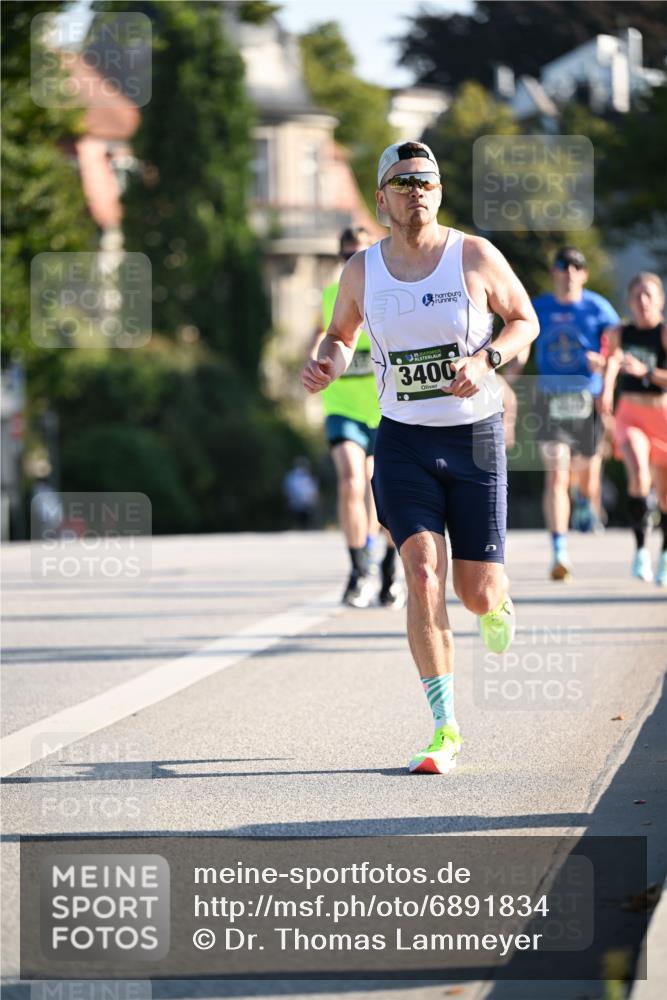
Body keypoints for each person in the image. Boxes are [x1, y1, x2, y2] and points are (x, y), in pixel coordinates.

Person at [301, 140, 539, 774]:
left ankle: (499, 600)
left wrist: (485, 359)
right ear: (381, 198)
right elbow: (341, 333)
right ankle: (445, 728)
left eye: (427, 181)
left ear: (439, 191)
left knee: (477, 592)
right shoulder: (361, 270)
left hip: (474, 435)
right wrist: (329, 361)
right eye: (403, 182)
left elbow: (524, 321)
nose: (417, 191)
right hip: (402, 439)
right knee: (422, 574)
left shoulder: (475, 255)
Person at [309, 226, 403, 609]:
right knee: (351, 479)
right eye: (346, 255)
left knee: (384, 489)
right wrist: (314, 361)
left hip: (385, 409)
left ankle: (390, 566)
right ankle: (358, 568)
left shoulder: (392, 297)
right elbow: (322, 335)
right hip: (343, 407)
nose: (354, 261)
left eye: (360, 253)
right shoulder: (333, 295)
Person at [530, 247, 620, 580]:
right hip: (550, 398)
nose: (569, 271)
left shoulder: (598, 307)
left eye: (576, 266)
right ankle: (559, 549)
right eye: (562, 265)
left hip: (587, 398)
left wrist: (606, 370)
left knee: (587, 475)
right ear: (554, 271)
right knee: (556, 472)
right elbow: (522, 339)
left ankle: (584, 500)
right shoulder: (539, 307)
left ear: (584, 273)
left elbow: (615, 347)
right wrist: (505, 375)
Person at [600, 272, 667, 585]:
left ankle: (664, 554)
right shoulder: (619, 333)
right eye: (637, 295)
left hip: (662, 417)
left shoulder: (663, 334)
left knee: (665, 497)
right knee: (639, 474)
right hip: (631, 415)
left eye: (649, 295)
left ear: (660, 301)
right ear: (628, 301)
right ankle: (641, 550)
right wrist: (606, 393)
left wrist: (648, 371)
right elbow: (612, 360)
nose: (642, 301)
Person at [282, 457, 319, 529]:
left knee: (304, 518)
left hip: (304, 502)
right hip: (298, 501)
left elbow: (312, 489)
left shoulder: (306, 476)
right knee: (300, 518)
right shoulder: (294, 476)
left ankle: (303, 528)